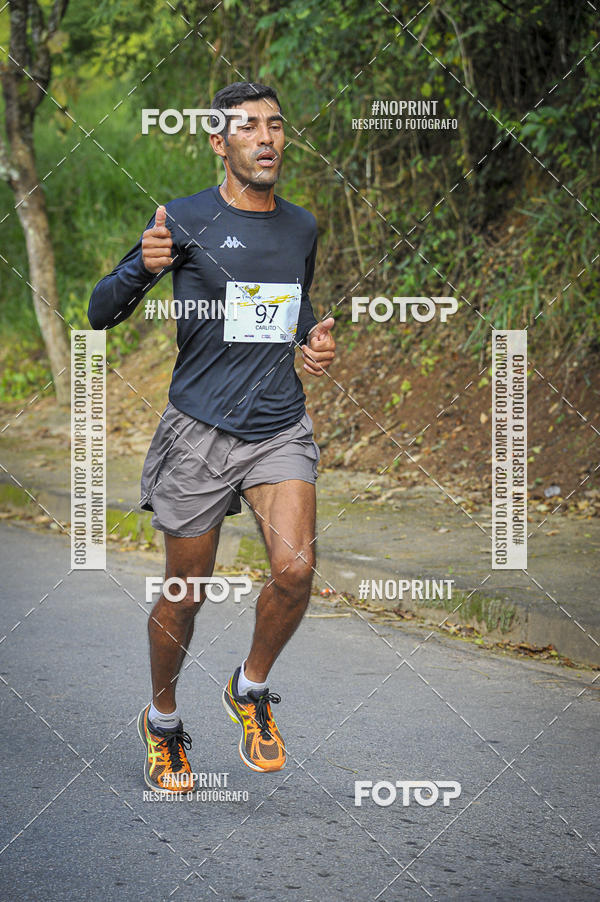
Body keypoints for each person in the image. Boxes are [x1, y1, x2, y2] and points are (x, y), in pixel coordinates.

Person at [88, 81, 336, 791]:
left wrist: (309, 343)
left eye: (277, 126)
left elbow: (292, 308)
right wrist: (143, 264)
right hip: (198, 431)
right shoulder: (185, 219)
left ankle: (250, 687)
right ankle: (163, 722)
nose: (267, 138)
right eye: (249, 127)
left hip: (277, 424)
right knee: (186, 592)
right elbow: (101, 311)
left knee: (294, 571)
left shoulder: (301, 227)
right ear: (217, 142)